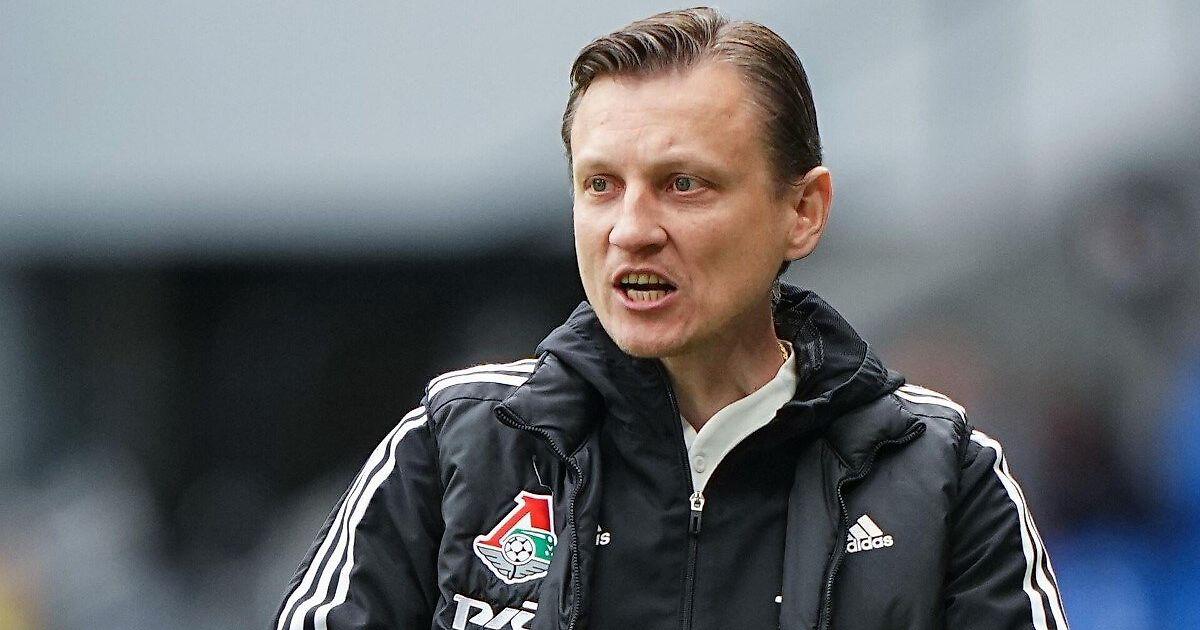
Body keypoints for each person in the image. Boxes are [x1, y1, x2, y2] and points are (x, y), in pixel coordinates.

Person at [273, 7, 1068, 630]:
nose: (631, 229)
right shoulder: (456, 444)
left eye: (683, 184)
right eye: (601, 185)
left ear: (803, 211)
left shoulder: (943, 475)